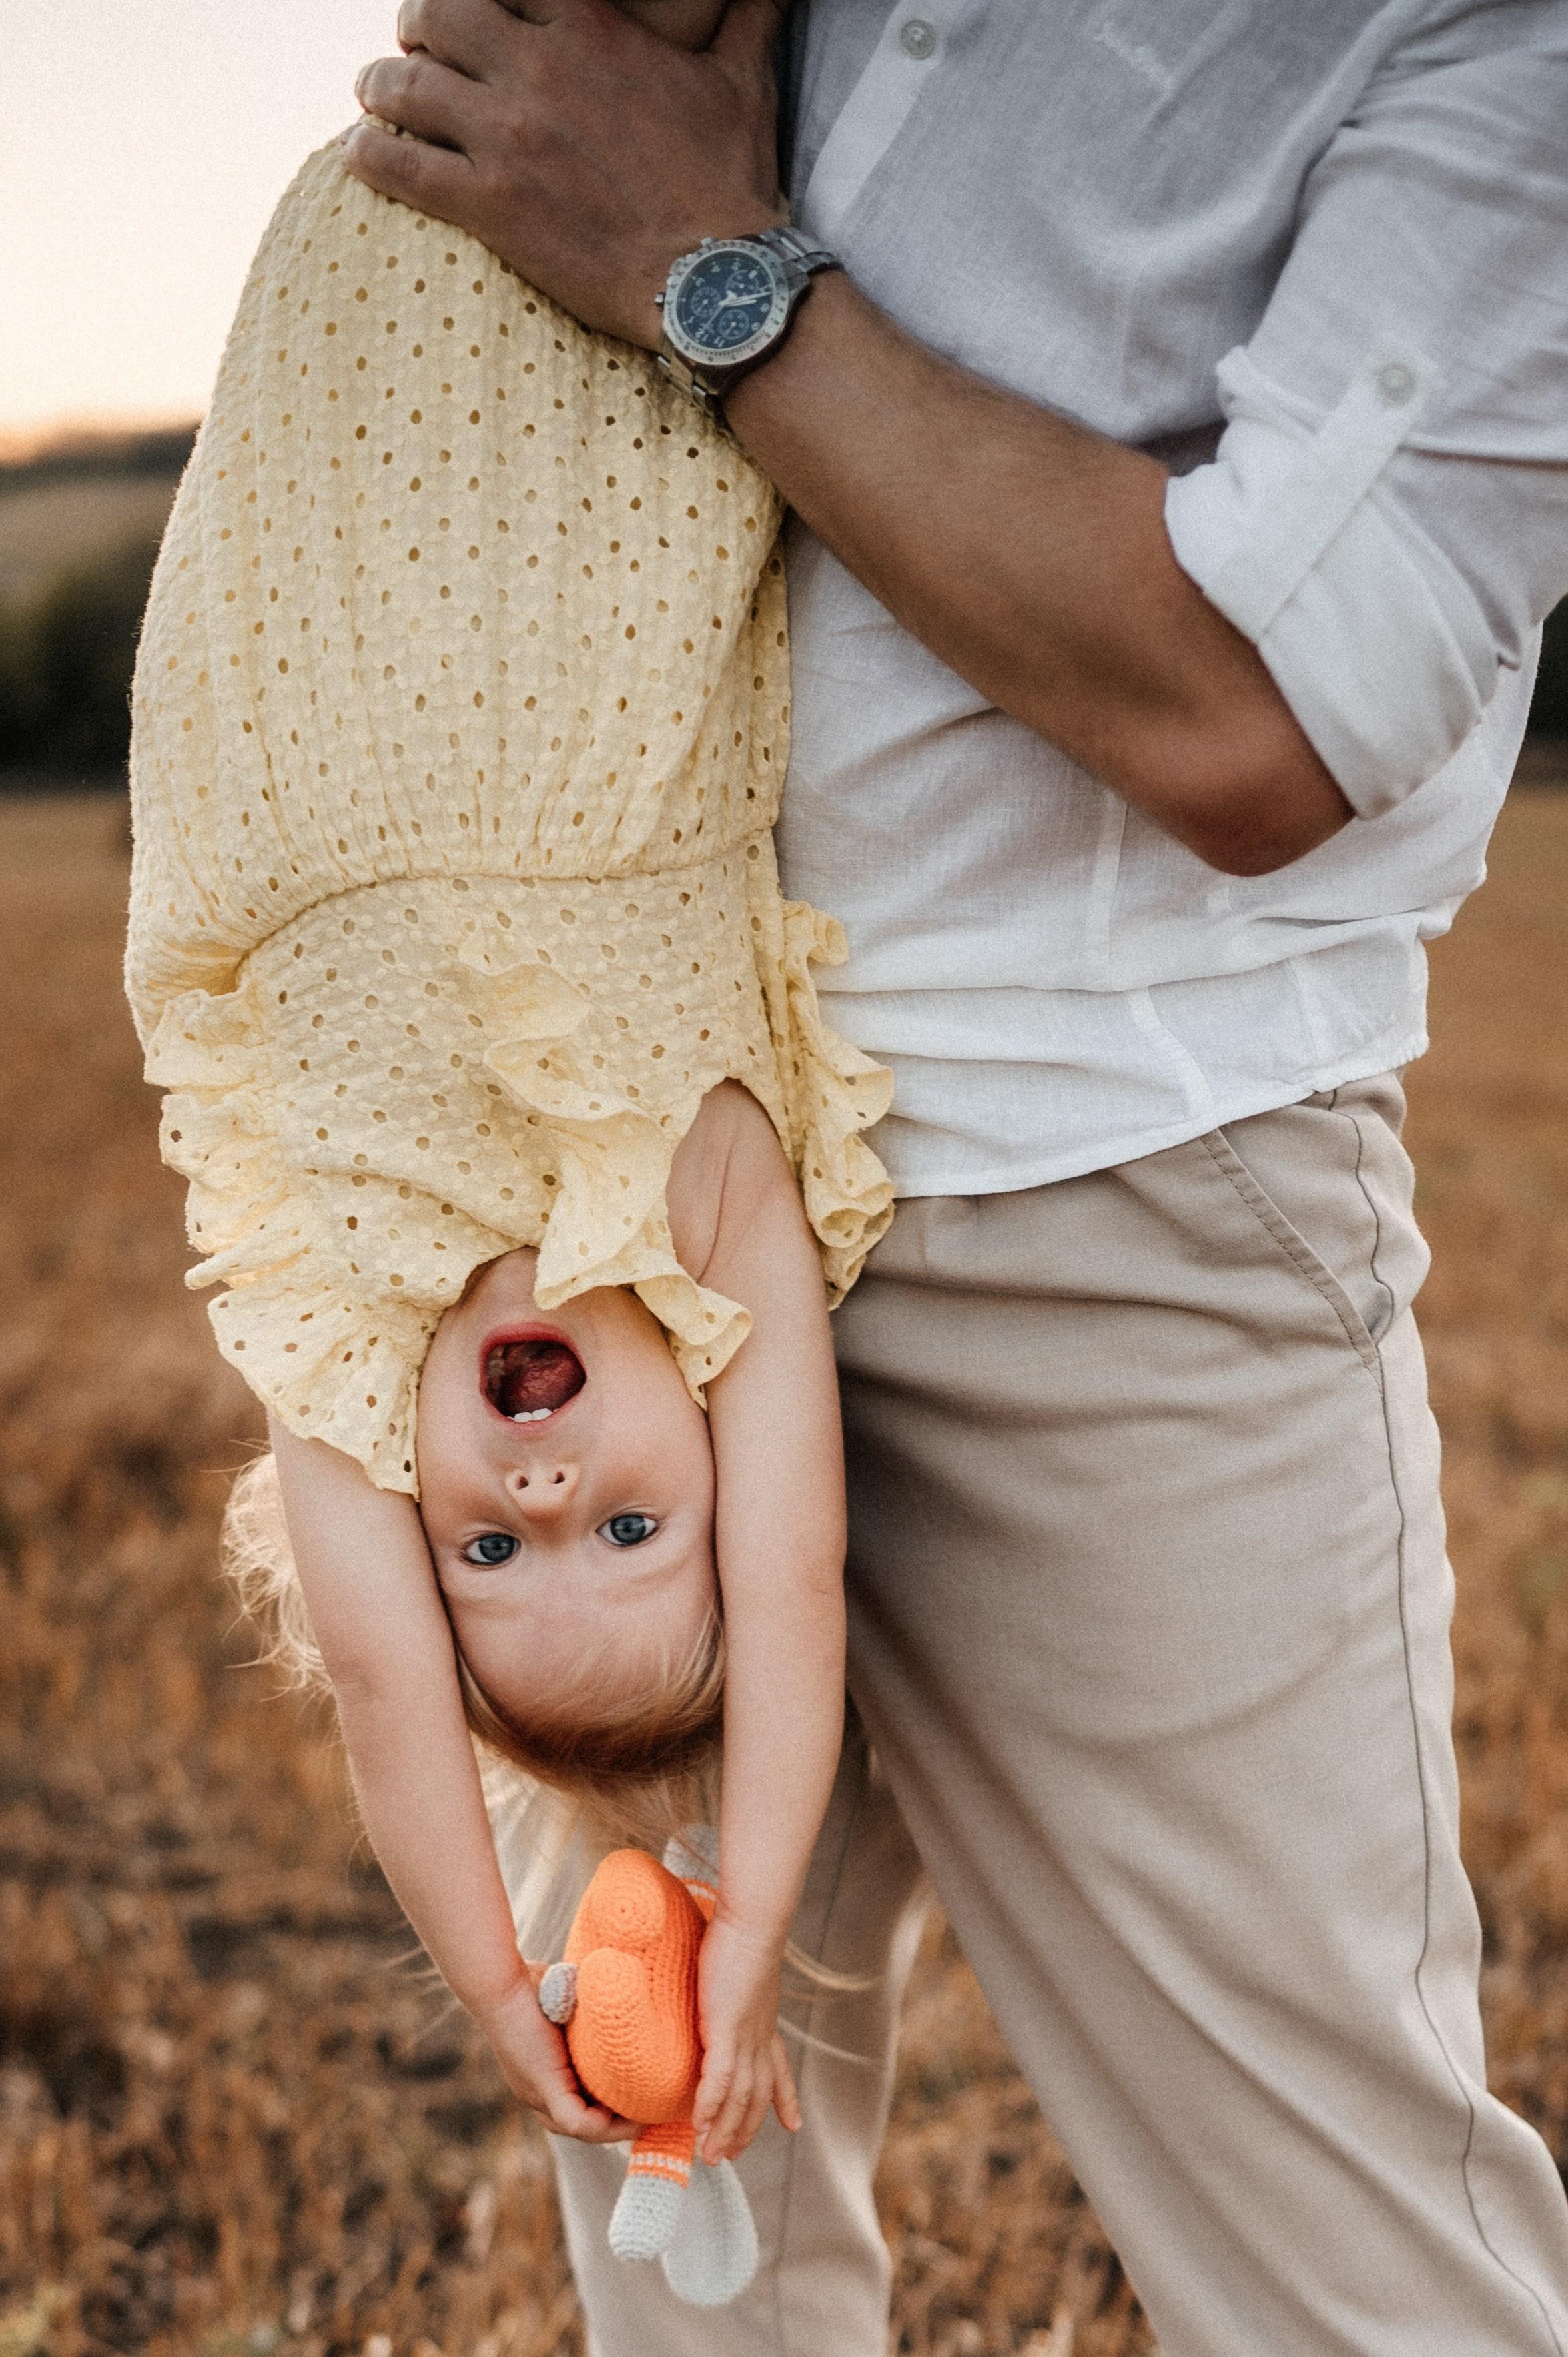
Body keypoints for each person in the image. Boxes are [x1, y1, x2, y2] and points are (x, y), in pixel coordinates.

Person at [337, 1, 1568, 2351]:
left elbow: (1257, 709)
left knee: (1339, 2259)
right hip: (637, 1183)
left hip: (1106, 1185)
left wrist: (716, 264)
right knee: (683, 2193)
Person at [124, 0, 895, 2178]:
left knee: (460, 86)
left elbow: (386, 1695)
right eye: (636, 1529)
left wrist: (496, 1987)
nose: (544, 1496)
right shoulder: (724, 1225)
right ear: (719, 1468)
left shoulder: (338, 1326)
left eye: (487, 1547)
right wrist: (736, 1942)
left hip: (324, 518)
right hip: (575, 513)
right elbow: (811, 1598)